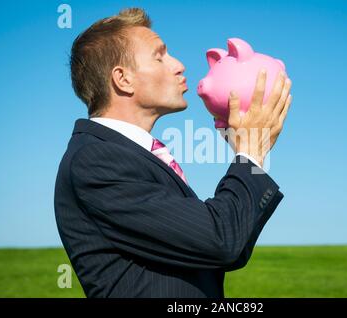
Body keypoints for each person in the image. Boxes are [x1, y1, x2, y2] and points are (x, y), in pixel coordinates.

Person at [54, 7, 292, 298]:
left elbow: (230, 248)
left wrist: (249, 157)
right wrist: (251, 154)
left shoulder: (133, 156)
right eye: (160, 55)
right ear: (123, 79)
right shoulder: (95, 160)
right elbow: (221, 240)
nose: (179, 65)